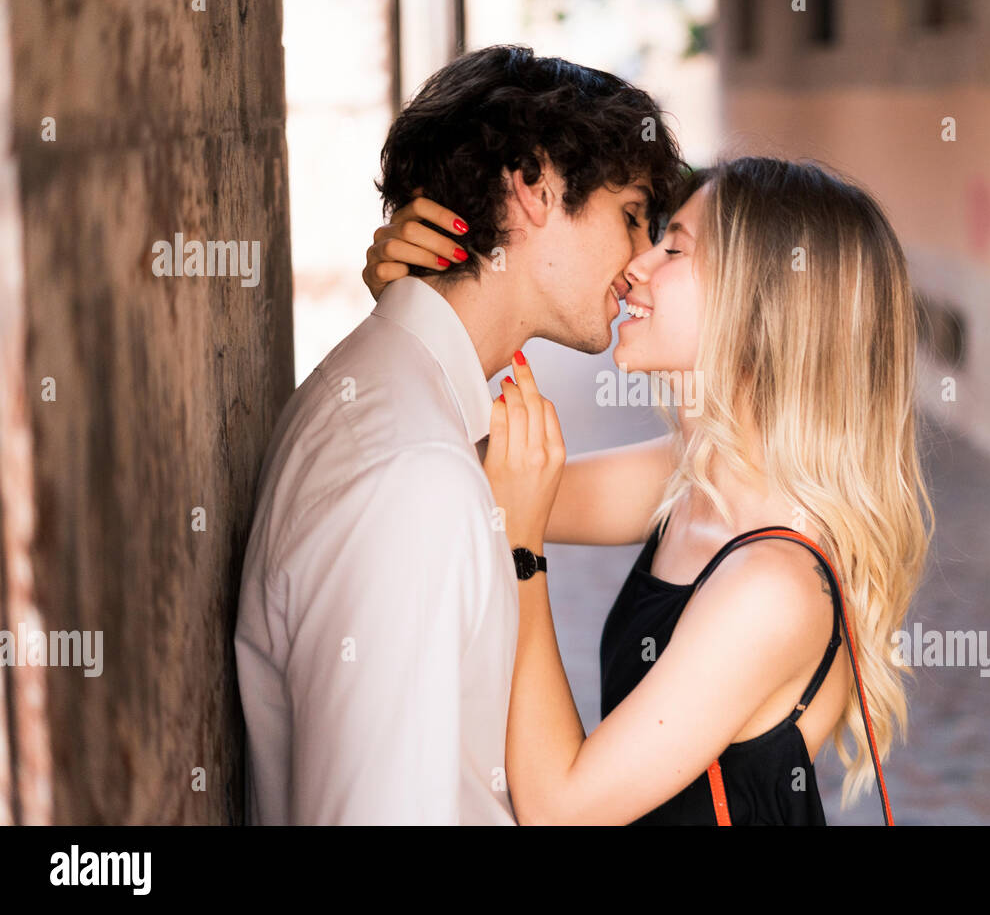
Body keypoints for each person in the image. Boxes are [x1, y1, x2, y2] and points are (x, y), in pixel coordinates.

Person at [364, 157, 933, 824]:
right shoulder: (695, 477)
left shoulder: (774, 587)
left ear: (761, 306)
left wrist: (522, 550)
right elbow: (457, 475)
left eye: (675, 247)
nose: (637, 263)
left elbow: (561, 808)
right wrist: (419, 304)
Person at [234, 44, 686, 824]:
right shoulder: (417, 479)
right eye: (633, 216)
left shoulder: (405, 402)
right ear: (535, 184)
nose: (643, 260)